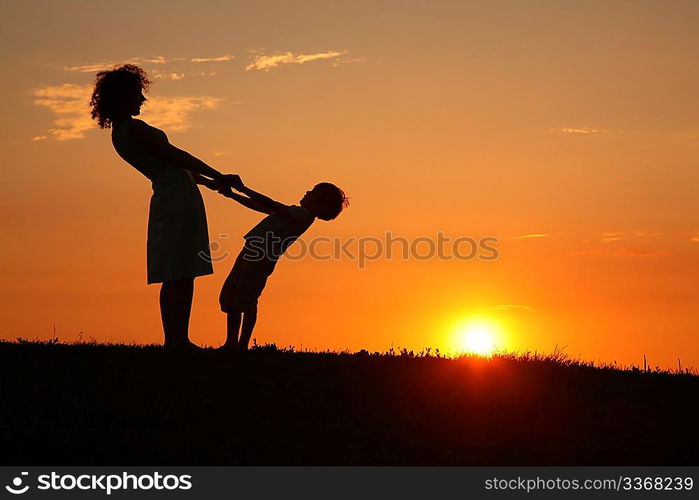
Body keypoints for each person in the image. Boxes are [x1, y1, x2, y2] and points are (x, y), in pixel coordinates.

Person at [90, 64, 241, 350]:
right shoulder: (132, 129)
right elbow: (176, 156)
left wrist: (209, 183)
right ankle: (177, 341)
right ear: (123, 97)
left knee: (178, 272)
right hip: (176, 199)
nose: (142, 100)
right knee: (180, 273)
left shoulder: (121, 133)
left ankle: (176, 340)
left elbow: (171, 165)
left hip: (174, 195)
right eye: (137, 93)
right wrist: (218, 175)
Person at [217, 180, 349, 351]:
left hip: (260, 257)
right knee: (234, 294)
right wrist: (233, 195)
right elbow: (260, 206)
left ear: (321, 205)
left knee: (247, 299)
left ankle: (241, 345)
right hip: (251, 251)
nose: (307, 192)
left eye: (313, 192)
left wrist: (242, 188)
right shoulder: (294, 213)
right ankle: (231, 343)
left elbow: (270, 204)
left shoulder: (303, 215)